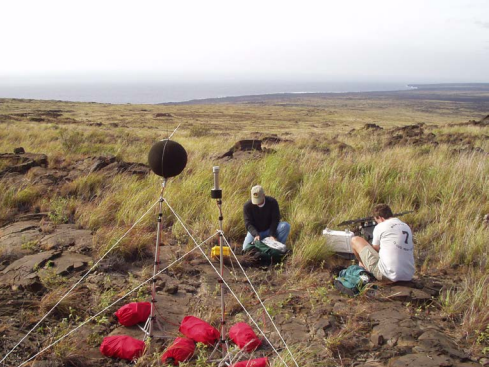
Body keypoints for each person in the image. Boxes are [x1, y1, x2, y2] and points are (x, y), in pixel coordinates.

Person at [351, 204, 414, 282]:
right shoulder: (406, 226)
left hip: (388, 276)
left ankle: (363, 268)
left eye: (376, 221)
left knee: (355, 240)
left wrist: (362, 260)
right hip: (408, 275)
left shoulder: (381, 226)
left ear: (380, 218)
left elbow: (375, 250)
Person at [242, 185, 291, 252]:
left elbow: (275, 220)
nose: (257, 203)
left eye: (258, 199)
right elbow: (248, 223)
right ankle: (261, 248)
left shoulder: (272, 202)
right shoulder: (247, 206)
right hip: (255, 232)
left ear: (263, 195)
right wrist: (255, 234)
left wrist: (272, 235)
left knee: (285, 226)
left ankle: (277, 250)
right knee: (245, 249)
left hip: (269, 230)